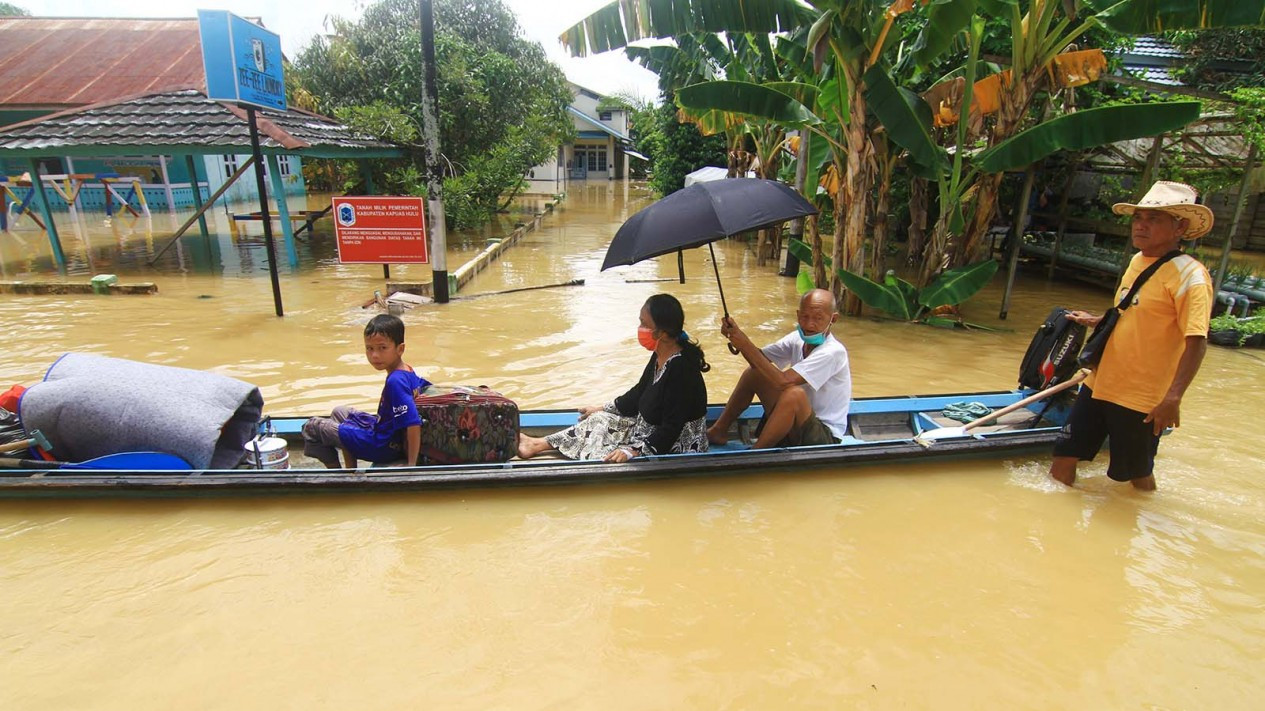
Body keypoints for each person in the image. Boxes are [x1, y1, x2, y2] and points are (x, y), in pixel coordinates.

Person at [1050, 181, 1214, 491]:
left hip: (1141, 398)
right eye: (1138, 218)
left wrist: (1173, 398)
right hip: (1100, 383)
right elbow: (1133, 313)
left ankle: (1143, 528)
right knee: (1063, 457)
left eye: (1153, 219)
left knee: (1137, 475)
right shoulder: (1137, 262)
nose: (1141, 226)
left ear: (1179, 227)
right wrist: (1097, 320)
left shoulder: (1191, 277)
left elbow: (1197, 341)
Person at [517, 294, 709, 462]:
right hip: (648, 428)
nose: (640, 328)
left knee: (606, 452)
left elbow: (672, 428)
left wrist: (633, 451)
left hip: (675, 445)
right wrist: (601, 407)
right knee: (599, 419)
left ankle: (536, 445)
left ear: (662, 333)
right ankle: (537, 444)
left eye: (644, 324)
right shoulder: (660, 354)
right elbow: (638, 393)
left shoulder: (681, 369)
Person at [707, 288, 851, 448]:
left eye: (818, 318)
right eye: (805, 317)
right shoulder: (797, 338)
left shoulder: (832, 351)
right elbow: (759, 360)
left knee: (794, 394)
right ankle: (718, 430)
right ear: (798, 315)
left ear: (833, 319)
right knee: (753, 374)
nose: (810, 324)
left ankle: (756, 453)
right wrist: (736, 336)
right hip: (796, 424)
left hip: (824, 436)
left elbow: (783, 381)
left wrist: (744, 343)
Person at [302, 314, 430, 468]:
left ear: (400, 349)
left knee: (311, 427)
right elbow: (427, 388)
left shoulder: (396, 380)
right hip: (385, 433)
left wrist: (411, 465)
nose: (374, 355)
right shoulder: (407, 370)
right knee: (339, 412)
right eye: (369, 349)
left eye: (382, 348)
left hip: (383, 446)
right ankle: (350, 471)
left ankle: (336, 474)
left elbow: (413, 423)